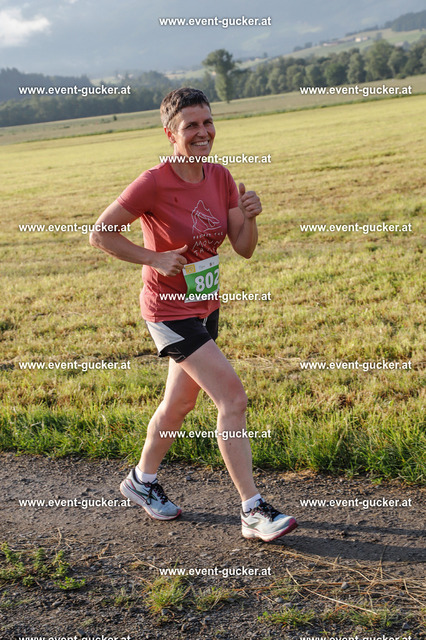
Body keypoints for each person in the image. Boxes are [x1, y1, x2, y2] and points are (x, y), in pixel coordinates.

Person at [89, 87, 297, 542]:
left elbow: (243, 248)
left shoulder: (220, 176)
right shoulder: (153, 182)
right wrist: (153, 257)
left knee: (180, 404)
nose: (203, 132)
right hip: (167, 311)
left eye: (207, 122)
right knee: (232, 399)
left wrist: (251, 217)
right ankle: (252, 510)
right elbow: (101, 233)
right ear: (170, 133)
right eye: (191, 126)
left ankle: (141, 481)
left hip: (205, 306)